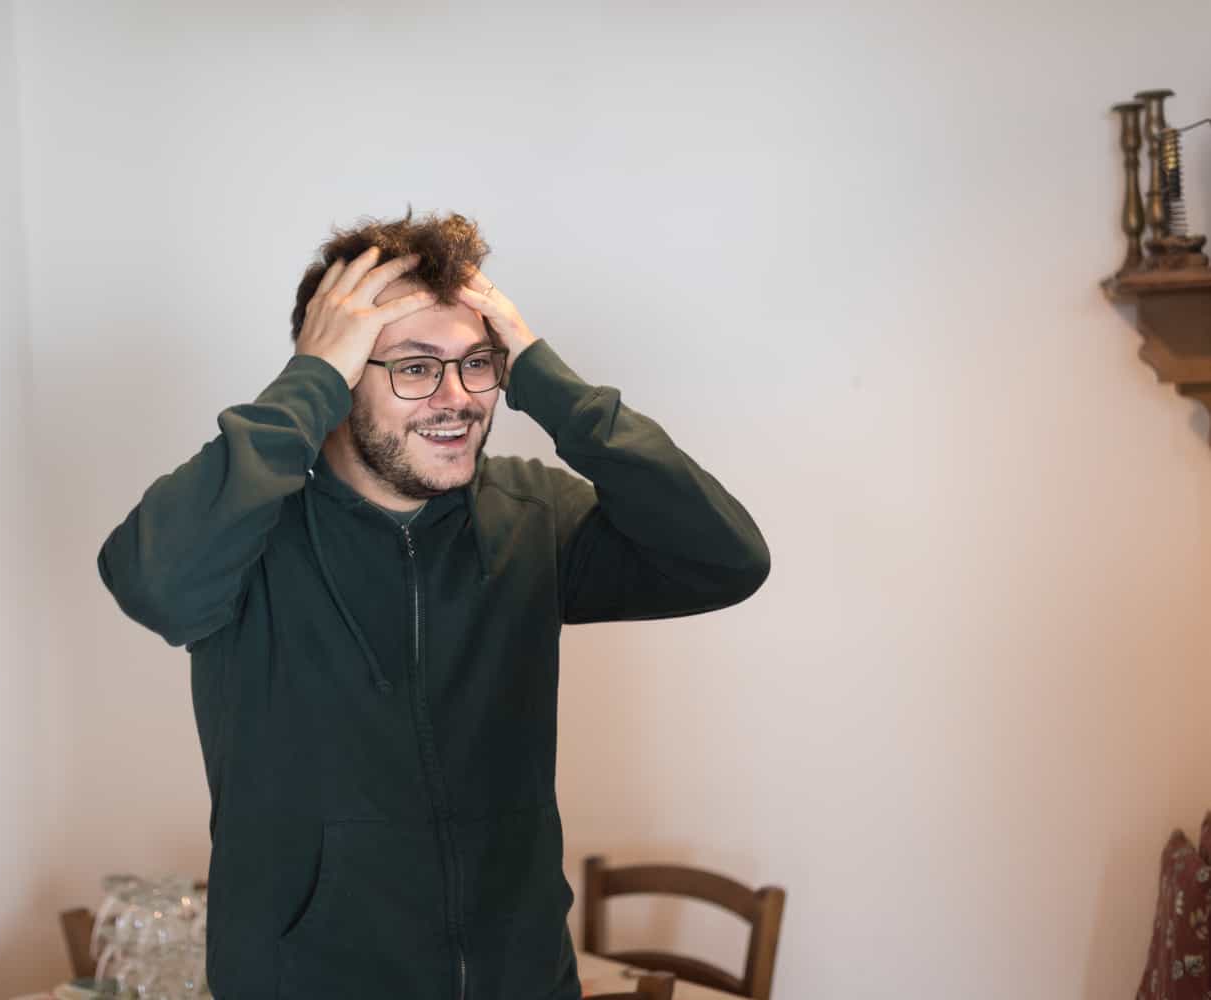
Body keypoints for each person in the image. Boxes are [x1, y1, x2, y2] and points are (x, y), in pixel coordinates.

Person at [96, 209, 771, 1000]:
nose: (457, 398)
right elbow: (151, 582)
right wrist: (307, 379)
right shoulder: (247, 532)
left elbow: (726, 559)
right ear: (340, 379)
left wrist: (545, 377)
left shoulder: (533, 514)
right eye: (415, 368)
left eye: (477, 363)